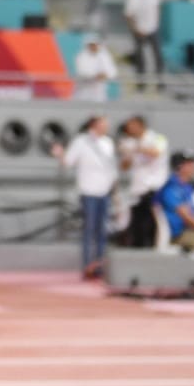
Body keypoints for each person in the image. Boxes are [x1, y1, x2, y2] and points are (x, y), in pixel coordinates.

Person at [53, 114, 119, 279]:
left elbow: (111, 169)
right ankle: (87, 266)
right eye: (103, 124)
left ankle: (100, 266)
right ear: (94, 125)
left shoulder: (108, 143)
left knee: (102, 231)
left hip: (105, 191)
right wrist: (60, 154)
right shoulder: (81, 141)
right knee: (89, 229)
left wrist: (114, 191)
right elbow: (68, 162)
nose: (106, 127)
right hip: (88, 191)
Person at [119, 115, 169, 249]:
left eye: (131, 126)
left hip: (154, 186)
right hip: (138, 187)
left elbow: (156, 152)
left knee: (152, 219)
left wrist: (135, 148)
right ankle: (138, 246)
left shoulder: (158, 138)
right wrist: (127, 154)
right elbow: (124, 166)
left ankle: (153, 246)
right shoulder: (129, 142)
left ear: (140, 125)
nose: (129, 130)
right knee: (137, 220)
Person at [123, 0, 163, 90]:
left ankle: (160, 82)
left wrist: (155, 24)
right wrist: (135, 29)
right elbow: (128, 16)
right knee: (140, 58)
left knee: (158, 57)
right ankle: (141, 83)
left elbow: (157, 8)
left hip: (152, 29)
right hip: (138, 31)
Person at [73, 36, 117, 101]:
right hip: (84, 91)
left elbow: (112, 71)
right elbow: (81, 72)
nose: (94, 47)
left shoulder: (104, 55)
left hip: (99, 93)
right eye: (92, 45)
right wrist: (95, 75)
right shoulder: (81, 56)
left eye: (96, 44)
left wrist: (105, 75)